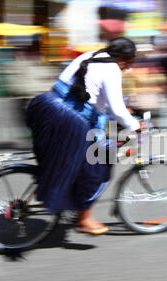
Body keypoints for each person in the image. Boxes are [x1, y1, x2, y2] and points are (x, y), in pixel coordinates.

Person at [26, 37, 141, 235]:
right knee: (100, 164)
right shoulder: (112, 68)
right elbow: (116, 110)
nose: (128, 68)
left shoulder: (89, 56)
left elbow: (92, 96)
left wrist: (120, 111)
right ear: (122, 58)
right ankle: (84, 218)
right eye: (129, 63)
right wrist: (136, 126)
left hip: (46, 108)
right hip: (69, 121)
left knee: (68, 160)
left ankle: (54, 191)